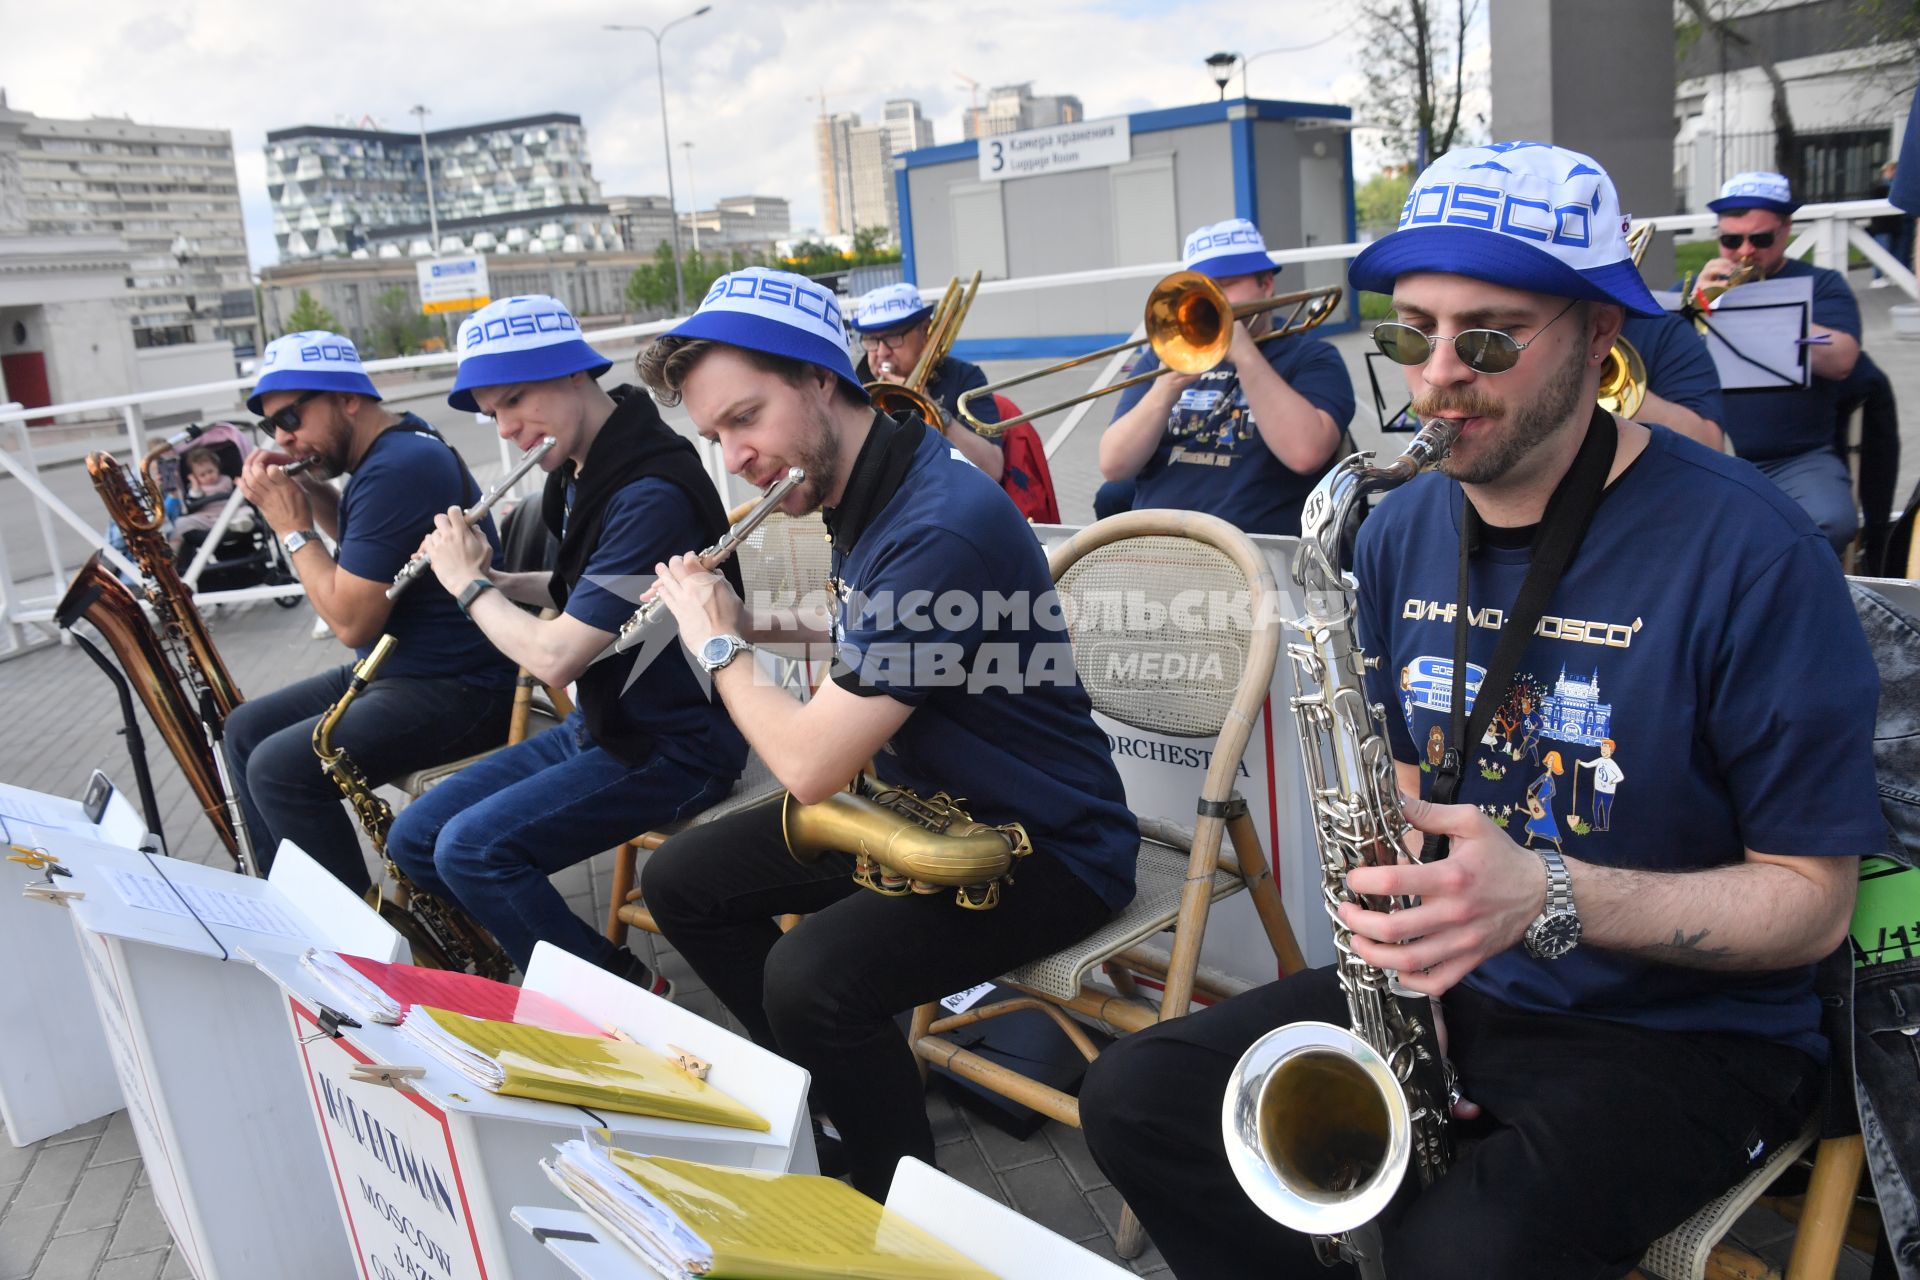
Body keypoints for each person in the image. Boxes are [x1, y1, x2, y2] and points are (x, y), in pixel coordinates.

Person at [1079, 141, 1882, 1280]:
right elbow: (1411, 785)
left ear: (1602, 334)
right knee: (1137, 1097)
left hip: (1686, 1033)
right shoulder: (1400, 524)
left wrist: (1544, 892)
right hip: (1460, 987)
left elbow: (1811, 906)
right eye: (1413, 332)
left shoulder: (1751, 550)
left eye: (1489, 337)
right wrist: (1417, 939)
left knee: (1459, 1249)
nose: (1438, 374)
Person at [631, 266, 1137, 1199]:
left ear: (822, 377)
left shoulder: (938, 521)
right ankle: (848, 1090)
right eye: (714, 436)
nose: (733, 455)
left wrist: (712, 645)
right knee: (680, 882)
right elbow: (880, 635)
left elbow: (811, 763)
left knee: (810, 978)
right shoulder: (861, 481)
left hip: (1046, 846)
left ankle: (892, 1201)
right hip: (922, 809)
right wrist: (749, 627)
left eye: (746, 418)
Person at [385, 295, 746, 991]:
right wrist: (502, 577)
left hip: (678, 746)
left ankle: (620, 992)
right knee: (414, 839)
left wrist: (467, 586)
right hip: (606, 727)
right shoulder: (580, 471)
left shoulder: (648, 490)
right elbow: (590, 592)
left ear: (575, 373)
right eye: (494, 414)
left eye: (516, 400)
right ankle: (549, 955)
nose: (510, 428)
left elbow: (558, 656)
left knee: (472, 851)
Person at [226, 331, 516, 892]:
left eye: (290, 418)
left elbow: (350, 621)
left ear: (347, 398)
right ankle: (284, 904)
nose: (284, 437)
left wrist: (291, 528)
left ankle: (348, 946)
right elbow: (369, 549)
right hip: (406, 671)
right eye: (271, 428)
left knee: (280, 770)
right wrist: (309, 486)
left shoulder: (398, 468)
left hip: (463, 687)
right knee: (245, 729)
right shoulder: (393, 448)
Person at [1097, 218, 1355, 536]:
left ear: (1266, 285)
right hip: (1158, 542)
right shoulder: (1163, 357)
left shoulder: (1312, 357)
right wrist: (1165, 388)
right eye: (1203, 289)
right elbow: (1114, 464)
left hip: (1256, 552)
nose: (1215, 300)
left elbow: (1306, 454)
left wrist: (1245, 356)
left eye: (1226, 285)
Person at [1696, 171, 1863, 554]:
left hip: (1797, 458)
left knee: (1831, 521)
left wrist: (1758, 310)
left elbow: (1841, 359)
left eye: (1761, 239)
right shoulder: (1697, 290)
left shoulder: (1822, 284)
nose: (1744, 252)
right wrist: (1698, 306)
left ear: (1786, 229)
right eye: (1730, 240)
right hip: (1706, 458)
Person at [850, 281, 1005, 480]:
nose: (881, 352)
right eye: (871, 339)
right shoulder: (854, 383)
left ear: (924, 330)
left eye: (894, 337)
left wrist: (934, 410)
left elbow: (992, 469)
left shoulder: (964, 377)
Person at [168, 446, 255, 550]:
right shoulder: (196, 487)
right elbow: (193, 498)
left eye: (210, 471)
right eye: (202, 475)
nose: (208, 476)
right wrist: (195, 484)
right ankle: (174, 548)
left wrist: (239, 483)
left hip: (230, 514)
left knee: (246, 510)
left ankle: (239, 524)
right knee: (181, 522)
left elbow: (237, 491)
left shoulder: (226, 480)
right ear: (195, 476)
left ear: (217, 468)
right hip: (207, 517)